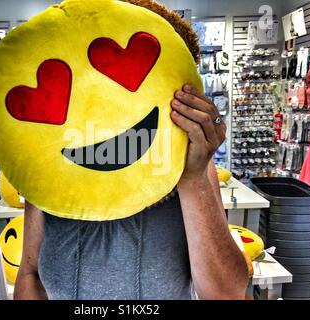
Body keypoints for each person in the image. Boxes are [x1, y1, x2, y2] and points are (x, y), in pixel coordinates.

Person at [14, 0, 249, 300]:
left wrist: (192, 179)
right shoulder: (49, 172)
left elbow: (226, 293)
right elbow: (29, 274)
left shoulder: (187, 166)